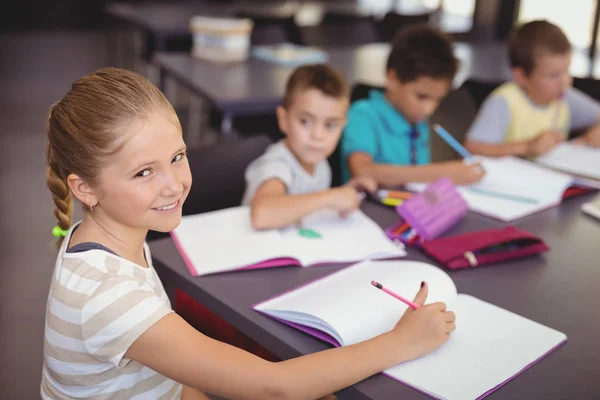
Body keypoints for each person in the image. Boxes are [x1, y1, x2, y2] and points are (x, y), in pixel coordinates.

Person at [43, 67, 456, 399]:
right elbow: (274, 386)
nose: (173, 185)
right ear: (85, 188)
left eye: (177, 156)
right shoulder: (108, 295)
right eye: (144, 172)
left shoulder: (115, 238)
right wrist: (402, 342)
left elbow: (166, 382)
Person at [340, 26, 485, 187]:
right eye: (421, 97)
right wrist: (443, 173)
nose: (429, 109)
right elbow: (362, 171)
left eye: (438, 100)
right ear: (393, 78)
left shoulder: (416, 119)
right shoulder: (363, 114)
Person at [242, 64, 377, 230]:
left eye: (330, 125)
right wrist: (330, 196)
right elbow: (261, 215)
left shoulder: (319, 163)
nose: (317, 135)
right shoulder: (276, 165)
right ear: (283, 119)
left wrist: (346, 191)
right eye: (305, 121)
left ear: (343, 126)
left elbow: (309, 202)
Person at [465, 20, 600, 158]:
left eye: (566, 71)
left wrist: (592, 135)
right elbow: (473, 149)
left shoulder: (565, 97)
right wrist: (527, 146)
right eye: (553, 75)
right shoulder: (503, 102)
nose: (565, 81)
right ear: (521, 76)